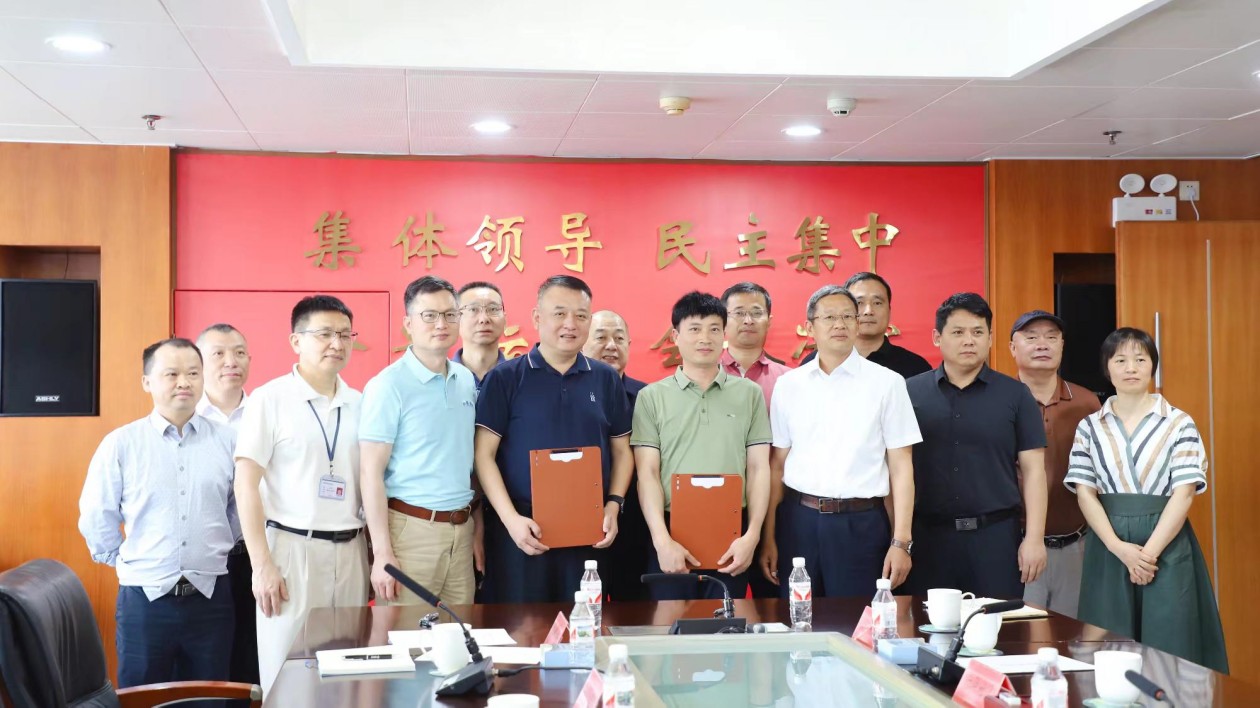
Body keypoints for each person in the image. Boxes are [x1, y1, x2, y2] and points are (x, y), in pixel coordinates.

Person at [1066, 328, 1228, 673]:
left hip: (1166, 544)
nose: (1131, 368)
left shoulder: (1179, 422)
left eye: (1140, 359)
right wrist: (1119, 548)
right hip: (1108, 545)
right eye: (1120, 360)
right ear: (1107, 368)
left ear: (1152, 366)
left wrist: (1147, 555)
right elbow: (1085, 492)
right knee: (1105, 640)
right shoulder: (1089, 427)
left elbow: (1184, 493)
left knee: (1171, 640)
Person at [78, 338, 236, 687]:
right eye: (171, 374)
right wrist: (126, 562)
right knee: (142, 695)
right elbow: (96, 514)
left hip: (211, 599)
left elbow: (238, 510)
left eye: (193, 373)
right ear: (147, 382)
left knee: (210, 697)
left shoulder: (229, 441)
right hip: (144, 601)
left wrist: (218, 547)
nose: (184, 382)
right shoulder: (121, 444)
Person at [234, 295, 367, 693]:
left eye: (345, 335)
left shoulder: (360, 402)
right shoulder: (269, 399)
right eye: (324, 334)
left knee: (348, 673)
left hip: (352, 551)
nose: (337, 344)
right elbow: (245, 484)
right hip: (292, 551)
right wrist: (262, 565)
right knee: (287, 676)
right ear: (296, 341)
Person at [474, 275, 633, 603]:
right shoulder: (505, 378)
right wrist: (510, 520)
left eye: (581, 315)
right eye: (559, 313)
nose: (570, 324)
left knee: (583, 622)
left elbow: (621, 451)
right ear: (537, 317)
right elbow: (483, 455)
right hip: (522, 529)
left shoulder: (605, 379)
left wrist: (613, 504)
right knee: (521, 625)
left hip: (589, 530)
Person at [760, 285, 920, 597]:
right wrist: (769, 537)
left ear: (857, 324)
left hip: (861, 524)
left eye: (848, 316)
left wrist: (901, 542)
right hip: (799, 522)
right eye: (829, 317)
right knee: (799, 617)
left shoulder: (887, 383)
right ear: (810, 328)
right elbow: (777, 465)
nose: (840, 324)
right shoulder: (789, 385)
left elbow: (901, 468)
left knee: (858, 619)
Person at [904, 293, 1048, 598]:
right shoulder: (909, 393)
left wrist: (1035, 539)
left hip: (995, 539)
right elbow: (896, 469)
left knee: (995, 625)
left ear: (991, 338)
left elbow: (1034, 471)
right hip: (928, 539)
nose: (969, 340)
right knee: (928, 625)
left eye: (978, 332)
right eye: (958, 332)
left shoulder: (1016, 395)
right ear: (937, 337)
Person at [632, 291, 772, 600]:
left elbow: (759, 468)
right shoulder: (651, 397)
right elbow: (647, 473)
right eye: (694, 329)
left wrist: (752, 535)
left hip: (732, 530)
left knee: (726, 623)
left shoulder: (749, 394)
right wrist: (661, 540)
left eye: (714, 329)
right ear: (676, 336)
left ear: (724, 334)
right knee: (669, 623)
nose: (704, 338)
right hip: (670, 529)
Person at [360, 276, 479, 610]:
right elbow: (370, 472)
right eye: (429, 315)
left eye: (450, 315)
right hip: (410, 533)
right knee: (407, 636)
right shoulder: (388, 385)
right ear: (408, 323)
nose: (441, 324)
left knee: (460, 631)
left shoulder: (465, 379)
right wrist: (382, 552)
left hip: (461, 530)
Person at [1009, 310, 1101, 618]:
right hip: (1015, 544)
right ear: (1012, 347)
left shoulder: (1087, 402)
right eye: (1032, 337)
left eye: (1051, 337)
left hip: (1076, 543)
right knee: (1020, 634)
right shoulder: (1000, 399)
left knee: (1072, 636)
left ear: (1062, 346)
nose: (1042, 344)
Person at [194, 323, 258, 693]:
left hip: (259, 553)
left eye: (239, 352)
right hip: (208, 559)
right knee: (212, 661)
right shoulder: (187, 417)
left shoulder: (267, 410)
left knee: (254, 656)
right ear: (199, 363)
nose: (230, 361)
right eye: (218, 353)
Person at [719, 282, 790, 600]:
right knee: (719, 604)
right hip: (719, 504)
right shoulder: (703, 375)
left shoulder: (790, 380)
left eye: (756, 312)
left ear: (769, 320)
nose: (748, 320)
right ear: (723, 319)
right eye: (738, 313)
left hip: (779, 507)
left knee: (775, 604)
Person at [583, 310, 650, 601]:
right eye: (601, 337)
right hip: (583, 520)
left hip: (636, 520)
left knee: (635, 607)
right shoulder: (572, 392)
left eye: (619, 339)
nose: (611, 345)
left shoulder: (648, 397)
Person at [799, 272, 932, 379]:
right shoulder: (815, 363)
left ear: (889, 310)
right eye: (859, 303)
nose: (868, 311)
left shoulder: (915, 367)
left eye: (877, 303)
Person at [454, 280, 508, 390]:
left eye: (493, 309)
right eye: (473, 309)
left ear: (505, 319)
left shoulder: (522, 378)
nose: (484, 319)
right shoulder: (439, 379)